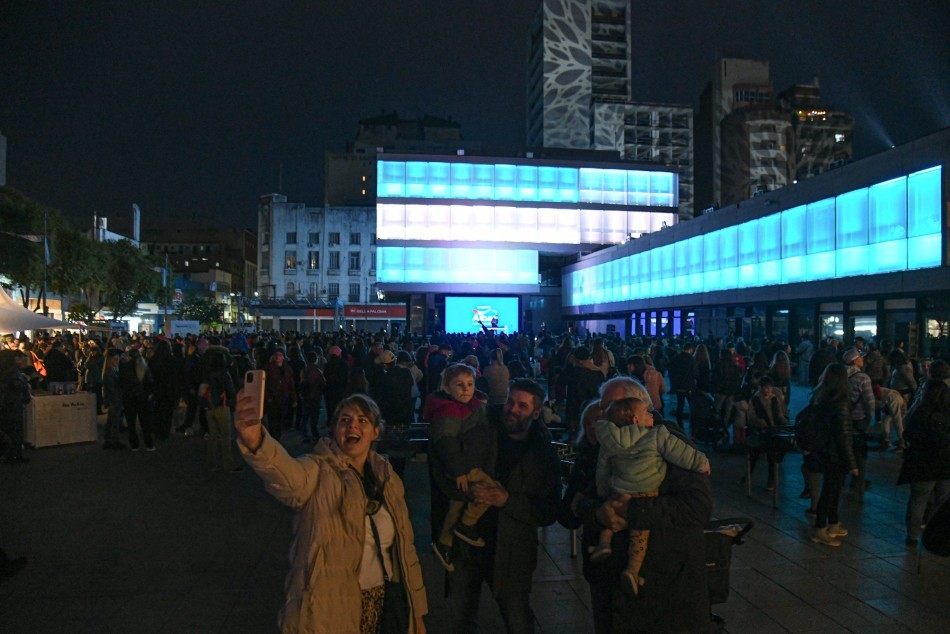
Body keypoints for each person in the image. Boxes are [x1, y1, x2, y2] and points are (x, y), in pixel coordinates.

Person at [235, 392, 428, 633]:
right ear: (334, 429)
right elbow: (288, 476)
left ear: (376, 432)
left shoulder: (387, 478)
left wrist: (417, 615)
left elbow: (406, 551)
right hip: (328, 610)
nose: (352, 426)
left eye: (362, 421)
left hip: (385, 602)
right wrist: (257, 442)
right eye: (344, 420)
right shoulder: (318, 471)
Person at [580, 376, 714, 634]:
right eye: (603, 406)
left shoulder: (669, 442)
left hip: (665, 587)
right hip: (610, 587)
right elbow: (575, 502)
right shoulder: (600, 443)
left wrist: (630, 511)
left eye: (613, 406)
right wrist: (597, 513)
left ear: (639, 410)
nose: (605, 413)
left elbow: (699, 505)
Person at [446, 379, 560, 634]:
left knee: (517, 618)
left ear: (536, 412)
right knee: (460, 618)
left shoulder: (542, 453)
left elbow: (549, 510)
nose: (512, 409)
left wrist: (506, 500)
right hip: (468, 545)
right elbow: (450, 467)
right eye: (510, 401)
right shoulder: (483, 429)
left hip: (512, 551)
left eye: (522, 405)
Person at [589, 396, 710, 595]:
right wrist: (702, 462)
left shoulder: (608, 442)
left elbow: (602, 470)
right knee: (640, 534)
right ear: (637, 420)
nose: (651, 415)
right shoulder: (656, 435)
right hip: (646, 490)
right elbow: (681, 454)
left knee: (611, 516)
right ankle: (633, 569)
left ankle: (604, 543)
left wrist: (603, 493)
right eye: (647, 412)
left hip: (618, 489)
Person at [423, 363, 497, 571]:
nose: (465, 389)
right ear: (447, 388)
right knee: (490, 489)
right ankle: (467, 525)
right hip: (466, 467)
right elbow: (447, 443)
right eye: (459, 385)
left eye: (470, 384)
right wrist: (459, 471)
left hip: (465, 465)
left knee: (455, 505)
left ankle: (444, 542)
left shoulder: (468, 406)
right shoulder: (449, 411)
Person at [809, 363, 859, 546]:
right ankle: (820, 529)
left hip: (823, 450)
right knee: (831, 490)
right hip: (835, 454)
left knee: (832, 488)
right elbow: (844, 435)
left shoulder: (821, 397)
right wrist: (852, 463)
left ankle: (833, 522)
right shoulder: (841, 403)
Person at [897, 379, 950, 546]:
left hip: (923, 463)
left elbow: (908, 434)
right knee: (942, 500)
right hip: (946, 464)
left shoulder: (920, 412)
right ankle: (936, 534)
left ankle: (912, 535)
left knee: (918, 500)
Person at [744, 376, 790, 492]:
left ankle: (771, 478)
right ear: (760, 388)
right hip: (761, 432)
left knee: (776, 450)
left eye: (770, 388)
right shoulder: (755, 400)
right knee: (763, 453)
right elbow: (752, 417)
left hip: (773, 430)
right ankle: (761, 477)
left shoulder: (774, 399)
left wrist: (785, 424)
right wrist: (762, 424)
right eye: (766, 388)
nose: (769, 390)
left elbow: (779, 414)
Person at [0, 349, 32, 464]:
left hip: (5, 404)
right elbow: (18, 385)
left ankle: (10, 455)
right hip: (14, 403)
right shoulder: (13, 372)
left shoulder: (4, 370)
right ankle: (15, 455)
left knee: (8, 429)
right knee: (16, 430)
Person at [264, 350, 296, 441]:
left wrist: (294, 398)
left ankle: (277, 437)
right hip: (273, 398)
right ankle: (273, 437)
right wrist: (268, 396)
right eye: (276, 355)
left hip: (283, 397)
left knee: (280, 418)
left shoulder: (288, 369)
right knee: (273, 419)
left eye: (280, 355)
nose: (278, 357)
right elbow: (265, 384)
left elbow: (291, 384)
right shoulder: (268, 368)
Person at [101, 348, 126, 450]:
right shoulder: (110, 372)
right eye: (116, 359)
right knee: (114, 421)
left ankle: (108, 440)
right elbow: (112, 388)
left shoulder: (110, 370)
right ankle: (114, 441)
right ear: (111, 359)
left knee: (111, 420)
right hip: (115, 399)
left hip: (113, 398)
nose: (118, 361)